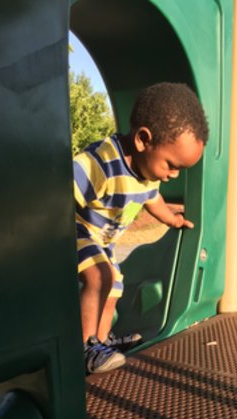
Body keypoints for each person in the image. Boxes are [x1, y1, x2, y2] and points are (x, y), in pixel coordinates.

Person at [73, 82, 209, 374]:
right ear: (143, 140)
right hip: (77, 233)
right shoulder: (102, 164)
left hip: (103, 242)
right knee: (100, 277)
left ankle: (101, 342)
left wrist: (172, 219)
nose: (174, 175)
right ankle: (83, 346)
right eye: (171, 165)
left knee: (114, 287)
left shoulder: (147, 176)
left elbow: (153, 200)